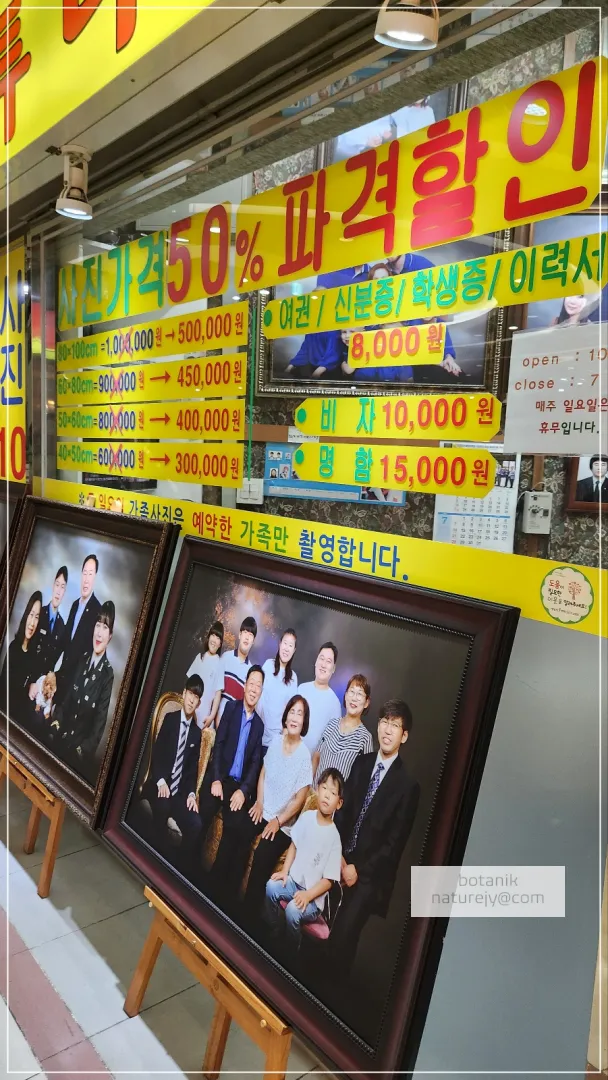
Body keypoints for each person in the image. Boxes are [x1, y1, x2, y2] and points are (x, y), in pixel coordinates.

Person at [330, 699, 420, 969]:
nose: (388, 730)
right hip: (338, 858)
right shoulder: (362, 762)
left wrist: (357, 869)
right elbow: (342, 812)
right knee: (315, 925)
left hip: (368, 876)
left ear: (404, 735)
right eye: (384, 722)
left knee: (342, 938)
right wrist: (339, 856)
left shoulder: (407, 787)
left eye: (395, 725)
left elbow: (393, 846)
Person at [242, 695, 313, 914]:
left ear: (304, 722)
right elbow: (263, 773)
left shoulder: (304, 756)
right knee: (239, 831)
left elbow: (300, 799)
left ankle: (246, 915)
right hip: (263, 810)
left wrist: (278, 821)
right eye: (292, 712)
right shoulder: (275, 742)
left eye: (299, 714)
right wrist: (259, 802)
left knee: (263, 855)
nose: (294, 717)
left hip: (283, 825)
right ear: (286, 716)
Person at [198, 665, 265, 886]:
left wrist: (244, 792)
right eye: (251, 683)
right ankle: (188, 869)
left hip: (237, 786)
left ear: (261, 691)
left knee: (235, 827)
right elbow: (218, 744)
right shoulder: (231, 708)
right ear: (245, 686)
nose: (254, 689)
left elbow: (255, 764)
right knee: (204, 811)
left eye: (258, 686)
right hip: (220, 777)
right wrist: (216, 778)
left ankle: (213, 885)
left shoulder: (259, 725)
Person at [264, 767, 343, 952]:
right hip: (293, 883)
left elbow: (329, 881)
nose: (327, 795)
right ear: (317, 789)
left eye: (333, 793)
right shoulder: (307, 818)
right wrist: (285, 872)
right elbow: (294, 845)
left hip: (313, 899)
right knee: (271, 887)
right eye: (324, 788)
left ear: (339, 803)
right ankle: (274, 930)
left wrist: (308, 895)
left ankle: (291, 947)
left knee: (293, 909)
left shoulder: (334, 838)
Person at [144, 674, 204, 870]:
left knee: (196, 824)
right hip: (160, 785)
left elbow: (192, 770)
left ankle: (176, 869)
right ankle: (153, 863)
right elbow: (157, 753)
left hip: (178, 794)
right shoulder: (170, 720)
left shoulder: (196, 733)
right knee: (162, 806)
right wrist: (161, 781)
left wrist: (191, 794)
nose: (192, 700)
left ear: (199, 703)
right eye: (190, 694)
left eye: (196, 697)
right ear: (184, 694)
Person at [53, 601, 116, 783]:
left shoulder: (107, 675)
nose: (99, 633)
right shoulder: (82, 660)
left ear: (110, 636)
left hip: (77, 756)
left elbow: (97, 728)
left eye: (105, 627)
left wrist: (79, 751)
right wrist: (56, 723)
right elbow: (65, 703)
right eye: (98, 625)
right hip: (60, 739)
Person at [55, 554, 101, 704]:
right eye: (85, 573)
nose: (86, 579)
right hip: (61, 679)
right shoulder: (75, 605)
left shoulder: (98, 611)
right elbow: (64, 642)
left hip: (75, 689)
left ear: (95, 577)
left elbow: (91, 657)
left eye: (90, 574)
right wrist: (48, 671)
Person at [312, 674, 373, 785]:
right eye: (352, 691)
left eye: (359, 694)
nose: (354, 698)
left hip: (341, 796)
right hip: (315, 793)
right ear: (345, 695)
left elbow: (363, 779)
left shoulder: (365, 738)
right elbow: (316, 757)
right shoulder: (331, 724)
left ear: (366, 702)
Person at [1, 591, 42, 719]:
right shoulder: (14, 648)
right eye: (31, 615)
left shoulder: (35, 655)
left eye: (37, 617)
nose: (32, 623)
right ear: (26, 615)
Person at [208, 617, 257, 725]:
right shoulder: (226, 658)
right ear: (239, 635)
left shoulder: (251, 673)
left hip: (232, 727)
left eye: (250, 635)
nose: (247, 637)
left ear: (253, 641)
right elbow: (213, 691)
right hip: (213, 723)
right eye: (245, 632)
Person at [258, 629, 298, 751]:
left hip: (275, 742)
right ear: (280, 644)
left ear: (294, 650)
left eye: (290, 645)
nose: (286, 648)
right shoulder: (268, 665)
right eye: (285, 643)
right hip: (257, 734)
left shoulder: (293, 678)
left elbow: (289, 710)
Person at [298, 642, 341, 754]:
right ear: (316, 661)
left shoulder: (334, 703)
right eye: (321, 659)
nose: (323, 665)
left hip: (314, 762)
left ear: (333, 668)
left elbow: (331, 742)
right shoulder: (301, 689)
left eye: (328, 661)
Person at [187, 621, 224, 729]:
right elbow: (187, 686)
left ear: (220, 644)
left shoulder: (219, 664)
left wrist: (211, 716)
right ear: (208, 637)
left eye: (218, 637)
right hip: (189, 710)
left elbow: (218, 694)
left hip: (204, 717)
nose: (214, 640)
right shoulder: (199, 657)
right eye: (213, 635)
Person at [35, 566, 68, 676]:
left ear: (64, 592)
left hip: (44, 683)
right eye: (57, 585)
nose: (58, 591)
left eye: (62, 587)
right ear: (53, 586)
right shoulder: (39, 613)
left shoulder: (62, 627)